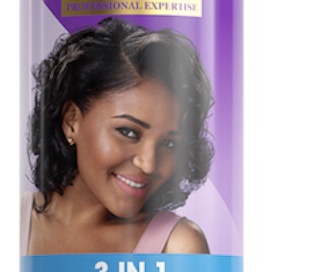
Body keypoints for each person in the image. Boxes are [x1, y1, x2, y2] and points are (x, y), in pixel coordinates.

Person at [24, 18, 214, 255]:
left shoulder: (177, 245)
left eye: (169, 143)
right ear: (71, 121)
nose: (148, 164)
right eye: (128, 132)